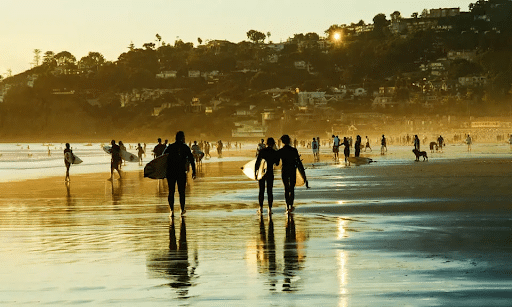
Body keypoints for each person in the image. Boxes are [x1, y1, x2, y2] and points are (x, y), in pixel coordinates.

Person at [163, 131, 196, 217]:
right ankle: (181, 209)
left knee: (171, 192)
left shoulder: (170, 147)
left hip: (171, 172)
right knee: (182, 192)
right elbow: (192, 159)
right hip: (181, 172)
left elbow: (162, 158)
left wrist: (162, 172)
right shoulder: (185, 147)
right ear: (182, 138)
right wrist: (194, 171)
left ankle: (171, 210)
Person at [278, 135, 307, 213]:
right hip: (292, 170)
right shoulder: (294, 150)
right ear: (289, 140)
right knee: (292, 189)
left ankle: (287, 206)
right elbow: (298, 163)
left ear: (282, 142)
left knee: (286, 189)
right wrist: (303, 175)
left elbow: (277, 163)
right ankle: (291, 205)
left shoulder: (281, 151)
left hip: (284, 171)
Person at [255, 137, 280, 215]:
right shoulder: (274, 152)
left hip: (261, 173)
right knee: (270, 191)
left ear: (266, 143)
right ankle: (269, 209)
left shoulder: (262, 151)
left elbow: (257, 162)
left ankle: (261, 208)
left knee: (261, 191)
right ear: (273, 144)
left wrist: (255, 173)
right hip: (270, 172)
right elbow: (277, 163)